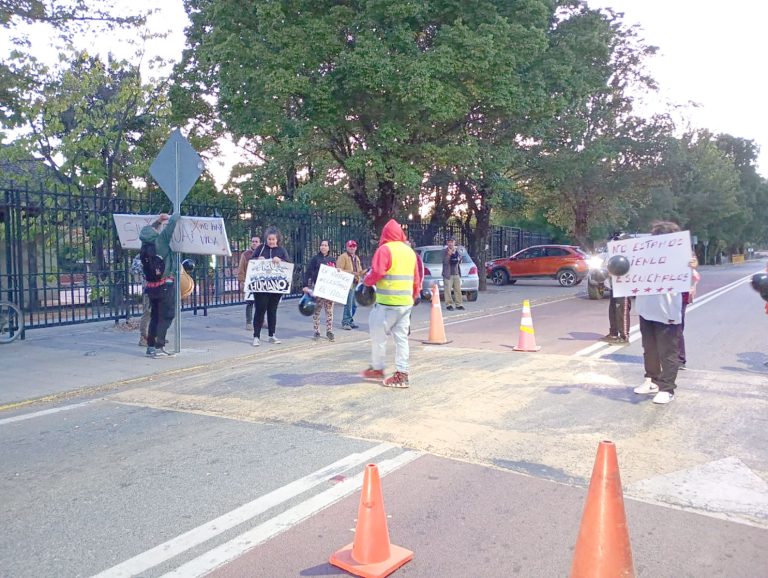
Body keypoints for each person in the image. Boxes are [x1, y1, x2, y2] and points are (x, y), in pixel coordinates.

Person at [633, 221, 696, 404]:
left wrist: (691, 266)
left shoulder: (682, 257)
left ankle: (667, 388)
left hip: (667, 311)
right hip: (646, 309)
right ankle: (651, 380)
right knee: (649, 349)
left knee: (668, 351)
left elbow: (690, 280)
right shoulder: (643, 255)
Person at [360, 219, 422, 388]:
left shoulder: (384, 250)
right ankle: (402, 374)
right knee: (401, 339)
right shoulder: (409, 252)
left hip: (387, 303)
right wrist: (415, 294)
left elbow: (377, 272)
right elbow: (416, 278)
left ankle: (378, 368)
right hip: (405, 303)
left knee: (378, 335)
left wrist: (366, 281)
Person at [139, 212, 181, 357]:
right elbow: (171, 226)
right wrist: (175, 213)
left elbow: (149, 230)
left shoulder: (145, 245)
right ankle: (159, 346)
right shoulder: (160, 241)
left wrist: (157, 221)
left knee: (155, 316)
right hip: (165, 285)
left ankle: (150, 347)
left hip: (151, 287)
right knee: (167, 316)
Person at [248, 228, 291, 346]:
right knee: (260, 310)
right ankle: (256, 336)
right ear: (266, 239)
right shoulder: (260, 248)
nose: (271, 241)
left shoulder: (281, 250)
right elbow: (251, 261)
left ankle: (272, 335)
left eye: (273, 239)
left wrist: (281, 260)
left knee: (272, 311)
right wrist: (258, 259)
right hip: (261, 287)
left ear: (277, 239)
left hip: (275, 288)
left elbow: (288, 265)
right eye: (269, 239)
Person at [303, 239, 337, 341]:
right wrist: (305, 285)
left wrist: (338, 271)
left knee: (329, 311)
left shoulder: (332, 259)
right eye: (322, 245)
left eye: (326, 245)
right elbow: (308, 272)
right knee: (317, 310)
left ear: (329, 247)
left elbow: (336, 274)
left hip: (329, 290)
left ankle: (329, 331)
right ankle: (316, 331)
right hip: (317, 288)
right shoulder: (315, 259)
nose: (323, 247)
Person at [601, 232, 631, 344]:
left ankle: (624, 336)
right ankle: (613, 333)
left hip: (624, 286)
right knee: (613, 310)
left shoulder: (629, 254)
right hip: (614, 285)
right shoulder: (613, 254)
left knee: (621, 311)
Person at [678, 253, 700, 369]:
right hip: (662, 294)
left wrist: (693, 264)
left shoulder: (684, 247)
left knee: (677, 325)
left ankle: (680, 359)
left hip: (681, 295)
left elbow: (694, 264)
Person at [337, 239, 364, 330]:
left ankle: (350, 320)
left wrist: (362, 274)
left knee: (354, 305)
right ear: (347, 247)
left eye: (354, 246)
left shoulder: (356, 258)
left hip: (355, 283)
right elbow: (339, 270)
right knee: (348, 303)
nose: (352, 248)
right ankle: (346, 322)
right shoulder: (343, 257)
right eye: (350, 246)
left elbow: (359, 271)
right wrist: (352, 273)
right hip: (347, 283)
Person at [238, 236, 260, 330]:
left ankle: (261, 321)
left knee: (261, 303)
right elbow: (241, 268)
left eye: (256, 241)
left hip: (261, 282)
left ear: (260, 243)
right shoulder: (246, 254)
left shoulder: (264, 253)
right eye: (253, 241)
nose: (254, 243)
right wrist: (242, 281)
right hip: (249, 282)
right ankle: (249, 322)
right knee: (250, 302)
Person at [131, 252, 151, 347]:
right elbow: (135, 270)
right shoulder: (141, 256)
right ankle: (144, 338)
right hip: (149, 288)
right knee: (147, 312)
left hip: (157, 288)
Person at [442, 236, 464, 311]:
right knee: (447, 290)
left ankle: (459, 304)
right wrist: (449, 255)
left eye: (452, 242)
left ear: (454, 242)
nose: (450, 243)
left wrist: (459, 258)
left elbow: (460, 261)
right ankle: (449, 305)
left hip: (456, 273)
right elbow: (444, 262)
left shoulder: (457, 251)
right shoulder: (444, 251)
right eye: (449, 242)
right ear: (447, 243)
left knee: (458, 290)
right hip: (448, 274)